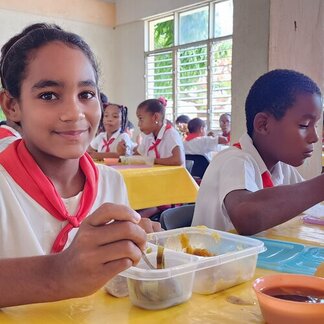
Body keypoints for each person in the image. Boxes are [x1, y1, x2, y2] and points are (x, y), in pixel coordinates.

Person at [0, 23, 160, 308]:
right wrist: (60, 273)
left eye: (86, 94)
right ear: (12, 106)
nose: (74, 113)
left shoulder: (110, 183)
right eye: (48, 95)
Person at [192, 69, 323, 235]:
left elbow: (309, 204)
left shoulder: (281, 168)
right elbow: (246, 217)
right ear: (263, 125)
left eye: (316, 125)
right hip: (215, 259)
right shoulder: (234, 160)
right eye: (304, 125)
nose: (315, 137)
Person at [135, 98, 185, 166]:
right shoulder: (148, 136)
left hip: (173, 175)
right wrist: (124, 153)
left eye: (141, 119)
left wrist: (152, 160)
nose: (139, 124)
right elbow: (137, 156)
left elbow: (178, 160)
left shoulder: (170, 133)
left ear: (155, 117)